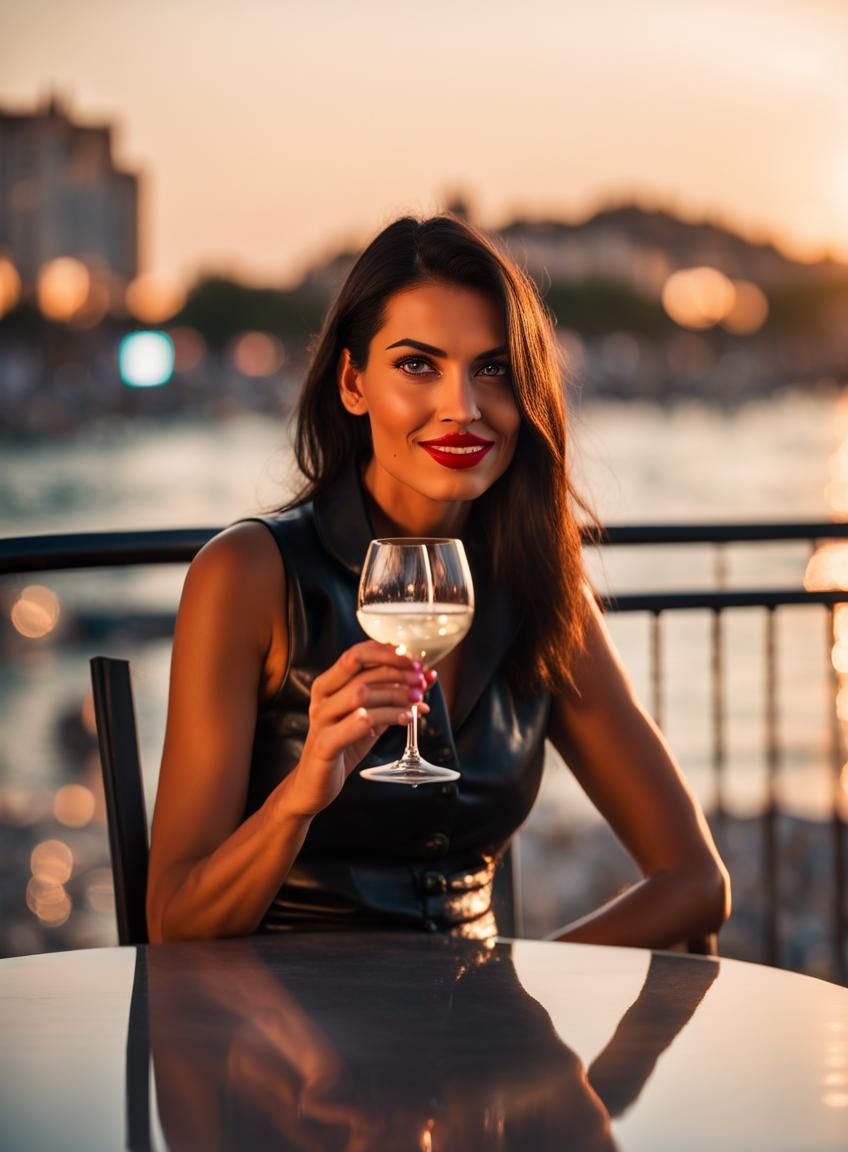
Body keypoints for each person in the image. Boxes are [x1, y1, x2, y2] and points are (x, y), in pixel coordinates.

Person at [146, 214, 730, 946]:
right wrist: (300, 797)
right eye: (418, 365)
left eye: (492, 369)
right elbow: (173, 922)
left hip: (472, 1047)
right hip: (286, 1042)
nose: (463, 407)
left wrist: (513, 996)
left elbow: (696, 880)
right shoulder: (247, 576)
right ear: (354, 384)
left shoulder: (543, 591)